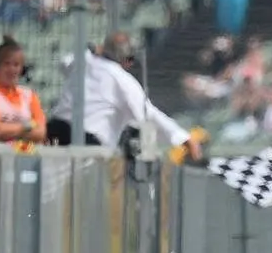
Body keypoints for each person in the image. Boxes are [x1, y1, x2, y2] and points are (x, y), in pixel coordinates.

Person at [47, 31, 203, 160]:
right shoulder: (123, 80)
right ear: (128, 60)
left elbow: (64, 62)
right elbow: (147, 113)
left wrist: (92, 49)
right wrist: (184, 138)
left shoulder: (84, 61)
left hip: (55, 131)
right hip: (88, 142)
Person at [0, 39, 47, 151]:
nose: (11, 69)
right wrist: (27, 127)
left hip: (21, 156)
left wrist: (7, 130)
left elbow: (40, 133)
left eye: (16, 65)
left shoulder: (29, 96)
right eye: (7, 64)